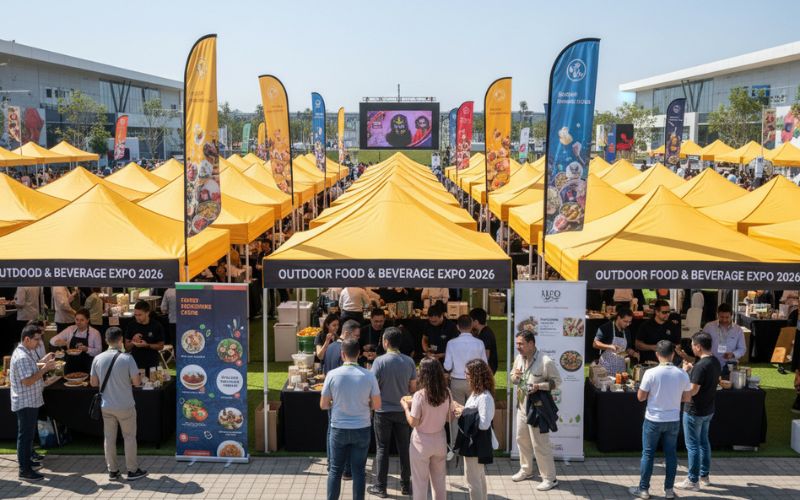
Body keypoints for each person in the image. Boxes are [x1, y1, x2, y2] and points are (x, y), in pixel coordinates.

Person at [629, 340, 693, 499]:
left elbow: (640, 398)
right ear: (673, 354)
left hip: (653, 419)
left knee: (648, 454)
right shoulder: (682, 373)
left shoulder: (650, 373)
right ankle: (669, 490)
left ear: (657, 355)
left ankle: (643, 489)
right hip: (673, 419)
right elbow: (687, 397)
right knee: (671, 454)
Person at [321, 339, 381, 500]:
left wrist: (337, 401)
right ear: (359, 354)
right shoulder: (369, 376)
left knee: (335, 470)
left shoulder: (332, 375)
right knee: (359, 471)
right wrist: (364, 402)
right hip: (361, 427)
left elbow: (324, 404)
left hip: (339, 427)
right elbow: (377, 404)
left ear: (342, 354)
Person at [90, 327, 147, 481]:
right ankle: (132, 470)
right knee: (129, 438)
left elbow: (93, 382)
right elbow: (137, 382)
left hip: (106, 405)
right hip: (125, 405)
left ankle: (113, 471)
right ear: (121, 340)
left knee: (109, 439)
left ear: (106, 340)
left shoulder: (97, 358)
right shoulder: (127, 358)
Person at [368, 328, 417, 498]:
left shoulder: (379, 362)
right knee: (405, 449)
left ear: (386, 342)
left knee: (382, 449)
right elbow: (413, 388)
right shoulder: (409, 361)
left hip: (382, 412)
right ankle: (405, 485)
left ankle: (381, 487)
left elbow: (373, 387)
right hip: (403, 411)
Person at [510, 330, 561, 491]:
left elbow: (557, 382)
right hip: (522, 406)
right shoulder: (518, 358)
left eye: (521, 344)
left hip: (537, 408)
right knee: (521, 439)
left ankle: (550, 478)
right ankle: (526, 470)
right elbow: (513, 377)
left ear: (531, 344)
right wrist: (515, 377)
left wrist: (539, 386)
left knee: (540, 444)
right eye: (517, 343)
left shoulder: (545, 361)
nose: (518, 347)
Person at [401, 358, 454, 500]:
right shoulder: (446, 392)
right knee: (439, 482)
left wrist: (406, 407)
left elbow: (413, 422)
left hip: (421, 443)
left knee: (420, 484)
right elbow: (450, 418)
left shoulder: (419, 395)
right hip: (440, 440)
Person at [9, 325, 57, 481]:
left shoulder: (25, 351)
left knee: (28, 436)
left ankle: (27, 463)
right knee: (25, 436)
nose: (39, 342)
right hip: (26, 402)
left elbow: (31, 369)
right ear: (27, 339)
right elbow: (27, 381)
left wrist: (43, 361)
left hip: (29, 401)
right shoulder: (22, 356)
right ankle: (24, 470)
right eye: (36, 339)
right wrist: (45, 369)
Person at [676, 332, 721, 492]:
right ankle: (704, 476)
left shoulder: (701, 366)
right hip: (708, 409)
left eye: (693, 345)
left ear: (698, 346)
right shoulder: (715, 361)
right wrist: (691, 370)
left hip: (695, 411)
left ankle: (692, 480)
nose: (692, 348)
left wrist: (684, 373)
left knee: (693, 446)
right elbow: (703, 378)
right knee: (703, 442)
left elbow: (693, 391)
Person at [444, 315, 488, 459]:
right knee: (474, 413)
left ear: (457, 327)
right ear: (471, 326)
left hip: (457, 380)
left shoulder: (451, 343)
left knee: (457, 414)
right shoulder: (479, 343)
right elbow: (485, 365)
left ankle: (455, 445)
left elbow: (447, 366)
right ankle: (473, 442)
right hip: (474, 381)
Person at [457, 358, 498, 500]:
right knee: (479, 477)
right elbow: (473, 413)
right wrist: (463, 410)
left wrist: (465, 414)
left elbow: (484, 424)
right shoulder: (476, 394)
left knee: (472, 481)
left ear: (476, 376)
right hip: (473, 442)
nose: (465, 376)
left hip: (476, 443)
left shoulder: (484, 397)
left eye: (467, 374)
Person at [49, 308, 102, 375]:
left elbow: (99, 351)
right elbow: (52, 340)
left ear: (87, 320)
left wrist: (87, 349)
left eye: (82, 320)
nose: (78, 322)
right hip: (70, 366)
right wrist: (63, 342)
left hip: (87, 366)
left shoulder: (95, 333)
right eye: (77, 320)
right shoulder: (70, 329)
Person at [636, 300, 688, 364]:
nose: (668, 314)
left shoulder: (673, 326)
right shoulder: (646, 326)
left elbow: (678, 344)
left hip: (669, 359)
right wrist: (652, 347)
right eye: (664, 312)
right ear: (656, 312)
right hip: (650, 359)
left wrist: (676, 349)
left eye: (669, 312)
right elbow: (638, 344)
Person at [702, 303, 745, 376]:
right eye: (721, 317)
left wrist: (733, 354)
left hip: (730, 364)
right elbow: (702, 343)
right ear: (717, 315)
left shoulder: (738, 330)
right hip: (712, 363)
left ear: (732, 316)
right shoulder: (709, 327)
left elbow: (742, 349)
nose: (724, 320)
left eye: (727, 317)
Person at [593, 307, 638, 375]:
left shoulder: (627, 331)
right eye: (625, 321)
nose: (627, 324)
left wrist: (634, 353)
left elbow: (627, 349)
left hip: (621, 369)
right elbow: (595, 344)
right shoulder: (606, 327)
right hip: (605, 368)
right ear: (618, 318)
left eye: (629, 322)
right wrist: (610, 346)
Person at [123, 301, 165, 374]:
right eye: (135, 315)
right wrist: (133, 341)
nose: (137, 317)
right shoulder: (131, 325)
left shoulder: (156, 326)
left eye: (140, 315)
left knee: (154, 384)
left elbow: (161, 346)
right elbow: (127, 347)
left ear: (147, 313)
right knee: (136, 384)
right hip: (135, 362)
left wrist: (147, 345)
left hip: (152, 362)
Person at [470, 308, 498, 374]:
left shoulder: (485, 334)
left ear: (476, 322)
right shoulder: (483, 332)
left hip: (486, 370)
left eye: (470, 320)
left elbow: (486, 355)